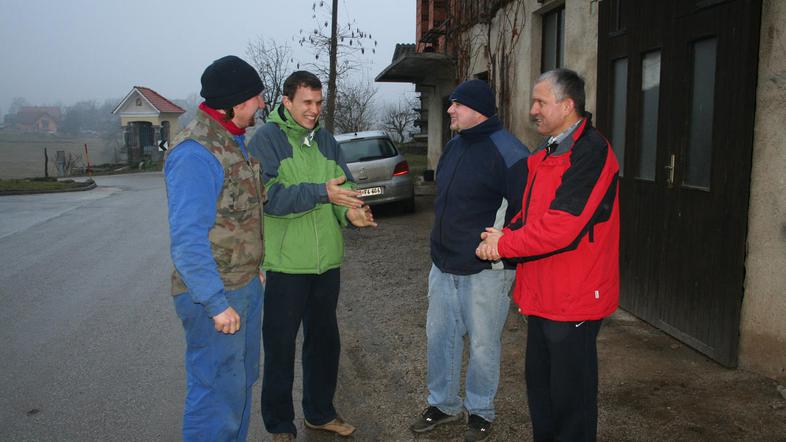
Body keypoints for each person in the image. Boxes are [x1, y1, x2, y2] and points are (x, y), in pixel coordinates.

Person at [476, 68, 620, 441]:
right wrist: (504, 234)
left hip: (574, 298)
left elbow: (562, 226)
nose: (532, 110)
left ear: (568, 105)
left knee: (571, 403)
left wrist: (503, 245)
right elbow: (528, 216)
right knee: (541, 393)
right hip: (540, 295)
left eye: (540, 102)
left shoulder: (591, 152)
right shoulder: (545, 155)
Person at [247, 70, 377, 441]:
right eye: (307, 103)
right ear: (286, 102)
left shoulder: (325, 139)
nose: (314, 110)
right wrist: (323, 194)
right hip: (287, 264)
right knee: (280, 347)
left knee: (324, 344)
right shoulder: (266, 141)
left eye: (319, 103)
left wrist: (350, 212)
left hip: (327, 264)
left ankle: (319, 413)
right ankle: (279, 424)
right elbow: (270, 197)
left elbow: (343, 185)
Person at [409, 79, 529, 442]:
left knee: (482, 343)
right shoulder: (454, 146)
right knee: (440, 337)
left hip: (485, 272)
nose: (450, 110)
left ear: (476, 108)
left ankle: (480, 410)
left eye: (456, 104)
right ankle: (443, 404)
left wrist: (504, 249)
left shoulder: (510, 152)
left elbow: (525, 213)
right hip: (443, 265)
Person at [164, 55, 266, 441]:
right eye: (256, 97)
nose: (261, 104)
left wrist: (253, 263)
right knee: (215, 396)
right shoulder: (195, 152)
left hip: (241, 285)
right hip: (216, 295)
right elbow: (188, 240)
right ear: (236, 103)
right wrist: (214, 301)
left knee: (237, 387)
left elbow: (241, 212)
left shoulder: (232, 140)